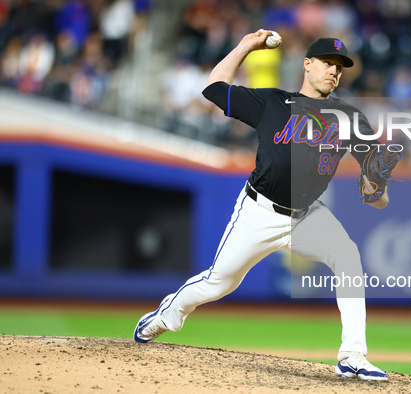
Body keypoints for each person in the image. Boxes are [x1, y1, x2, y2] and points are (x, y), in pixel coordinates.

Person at [134, 30, 390, 382]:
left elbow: (379, 192)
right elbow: (213, 88)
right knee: (219, 282)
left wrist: (373, 189)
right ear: (307, 64)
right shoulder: (273, 102)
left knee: (347, 255)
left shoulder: (349, 119)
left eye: (339, 67)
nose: (334, 71)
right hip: (259, 210)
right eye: (327, 63)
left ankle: (353, 355)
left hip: (307, 215)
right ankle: (166, 316)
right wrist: (244, 46)